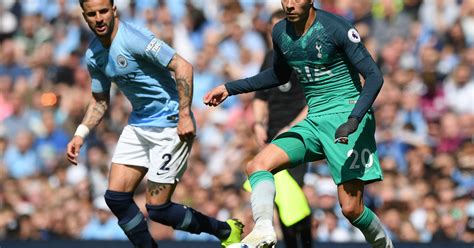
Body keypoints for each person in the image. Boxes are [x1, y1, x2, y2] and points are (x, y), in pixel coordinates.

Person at [204, 0, 393, 247]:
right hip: (313, 119)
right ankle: (263, 230)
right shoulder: (280, 31)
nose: (290, 4)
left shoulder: (336, 28)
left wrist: (354, 119)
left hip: (346, 117)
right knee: (257, 165)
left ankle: (384, 245)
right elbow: (278, 75)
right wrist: (230, 88)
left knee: (351, 209)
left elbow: (374, 75)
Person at [66, 1, 243, 247]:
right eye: (92, 14)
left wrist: (183, 114)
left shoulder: (134, 39)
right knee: (116, 198)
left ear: (113, 10)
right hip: (139, 124)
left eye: (103, 11)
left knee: (158, 210)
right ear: (85, 17)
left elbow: (183, 66)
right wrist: (80, 134)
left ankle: (225, 230)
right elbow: (99, 101)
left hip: (170, 124)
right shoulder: (94, 53)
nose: (98, 18)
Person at [252, 9, 313, 248]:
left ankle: (306, 243)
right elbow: (260, 97)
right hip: (272, 135)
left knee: (295, 196)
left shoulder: (303, 58)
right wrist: (258, 124)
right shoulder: (269, 58)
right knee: (278, 197)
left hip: (298, 134)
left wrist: (290, 127)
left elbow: (313, 102)